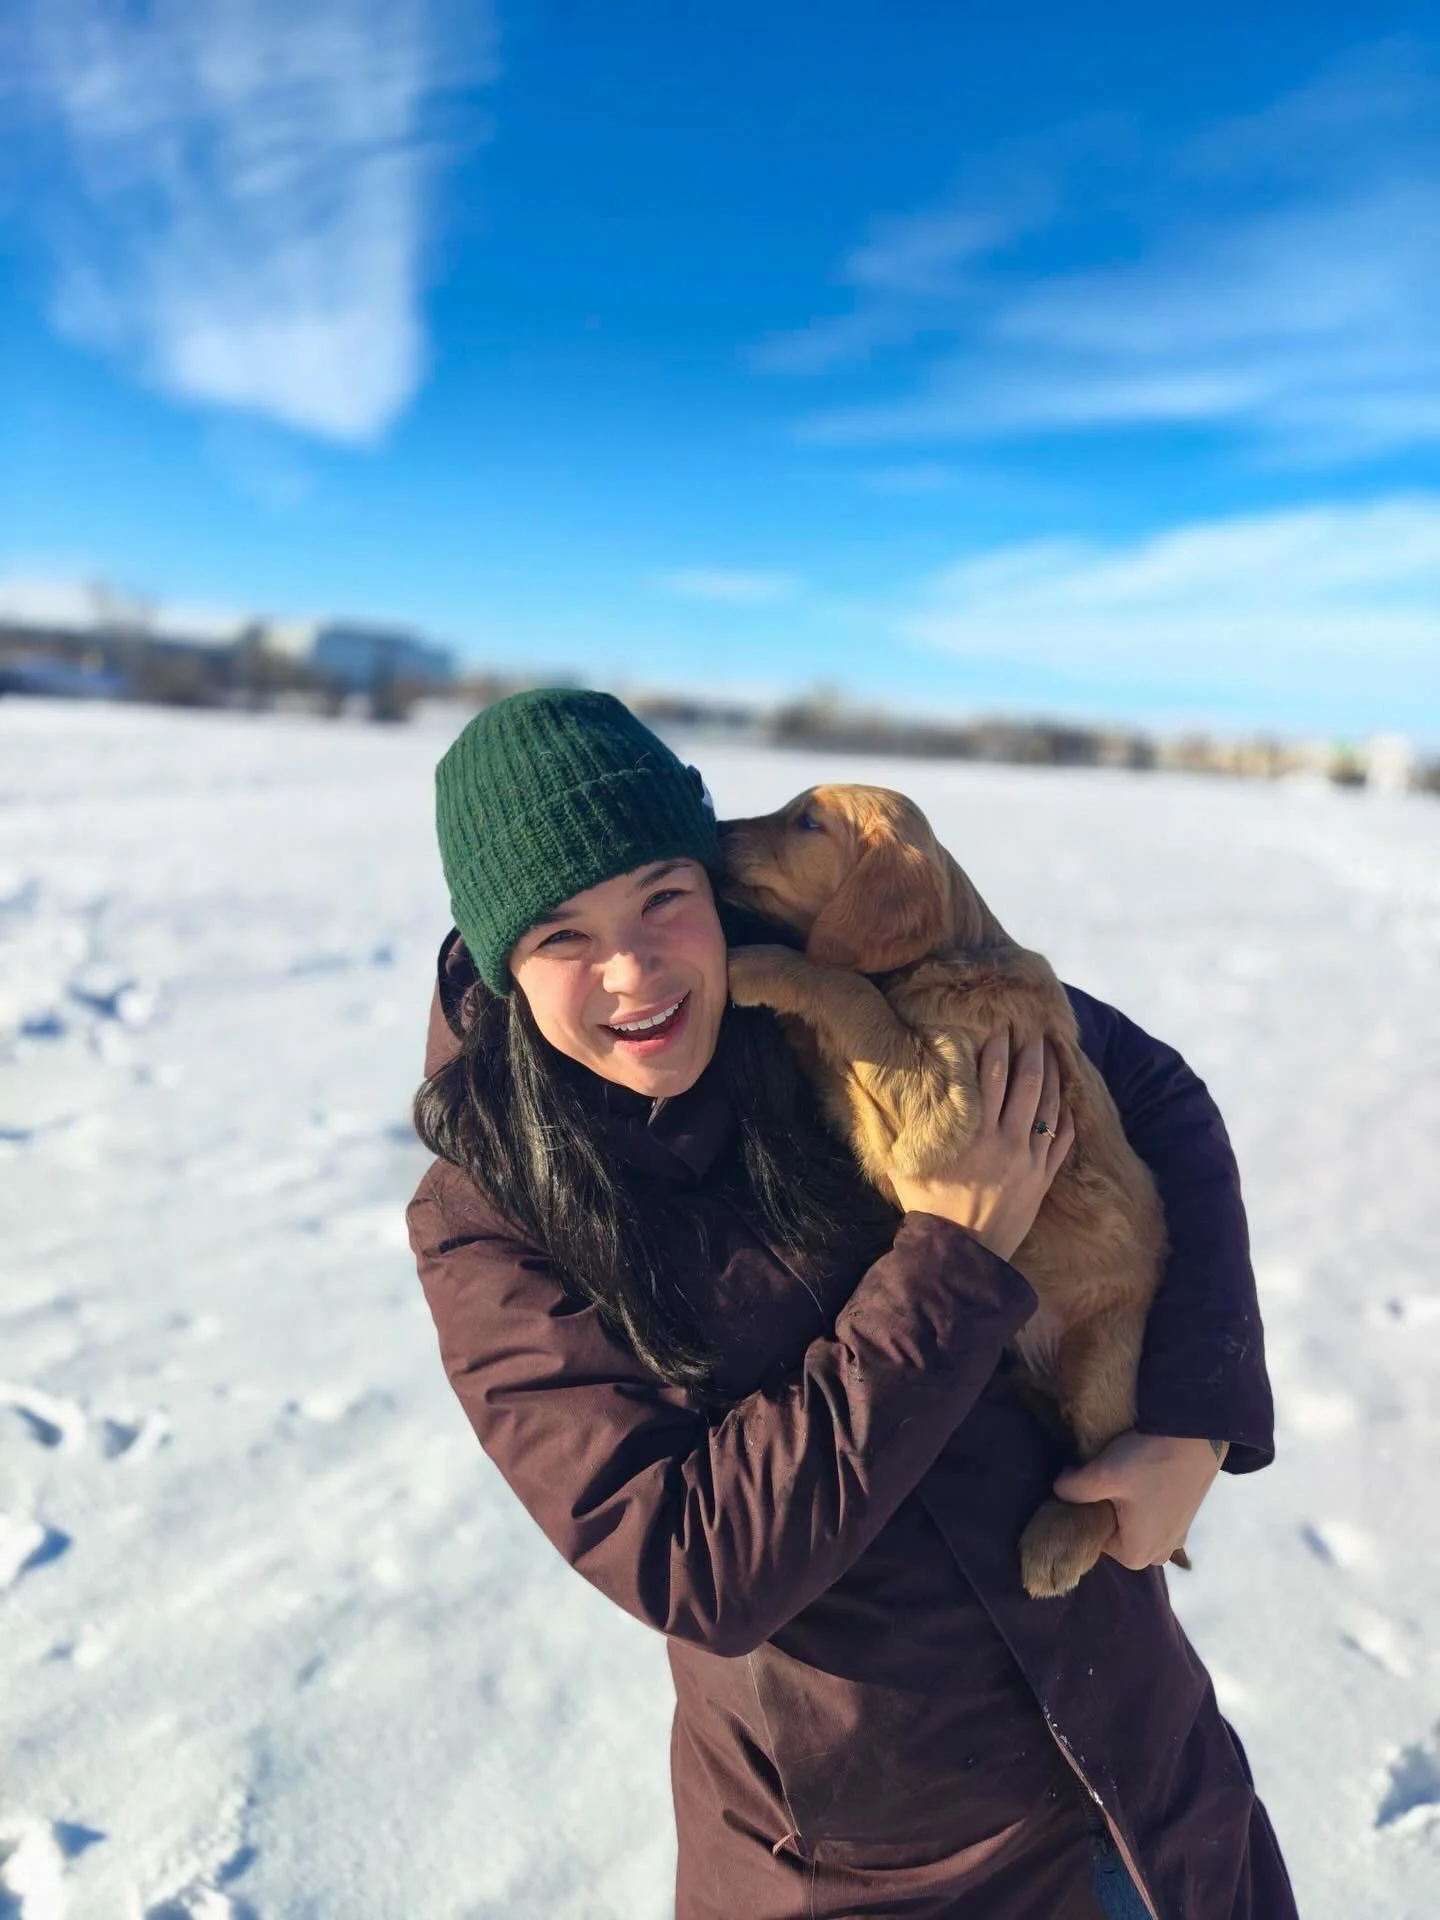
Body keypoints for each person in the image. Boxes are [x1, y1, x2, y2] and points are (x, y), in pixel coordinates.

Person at [407, 687, 1297, 1920]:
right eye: (563, 937)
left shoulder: (811, 982)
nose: (633, 971)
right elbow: (691, 1558)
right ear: (504, 962)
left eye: (665, 897)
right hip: (879, 1867)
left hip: (1142, 1769)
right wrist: (951, 1254)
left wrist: (1197, 1415)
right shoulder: (491, 1216)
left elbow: (1154, 1095)